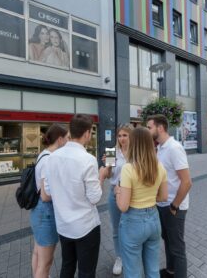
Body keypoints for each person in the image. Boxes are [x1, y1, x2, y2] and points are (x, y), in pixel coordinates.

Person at [44, 114, 106, 278]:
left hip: (64, 225)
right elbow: (95, 198)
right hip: (86, 226)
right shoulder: (88, 160)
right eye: (91, 132)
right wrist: (101, 175)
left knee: (67, 266)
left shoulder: (52, 158)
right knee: (86, 272)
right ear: (86, 133)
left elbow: (48, 192)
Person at [115, 127, 168, 278]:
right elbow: (164, 197)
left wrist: (118, 192)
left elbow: (123, 206)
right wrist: (149, 198)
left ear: (134, 143)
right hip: (153, 219)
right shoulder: (159, 166)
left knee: (133, 271)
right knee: (152, 269)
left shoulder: (128, 168)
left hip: (133, 222)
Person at [147, 115, 192, 278]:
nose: (147, 130)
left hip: (174, 206)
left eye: (149, 127)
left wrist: (174, 206)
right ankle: (170, 271)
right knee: (168, 241)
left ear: (160, 128)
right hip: (162, 205)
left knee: (177, 248)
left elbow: (187, 182)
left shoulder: (174, 148)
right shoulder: (159, 148)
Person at [30, 123, 69, 278]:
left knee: (38, 255)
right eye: (67, 138)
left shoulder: (43, 154)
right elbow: (46, 196)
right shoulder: (50, 159)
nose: (68, 142)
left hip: (38, 212)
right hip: (45, 213)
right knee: (45, 263)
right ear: (60, 139)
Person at [103, 123, 134, 275]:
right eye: (120, 135)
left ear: (131, 136)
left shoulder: (136, 152)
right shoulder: (111, 151)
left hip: (132, 194)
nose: (122, 138)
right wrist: (108, 166)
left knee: (130, 227)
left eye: (125, 135)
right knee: (116, 228)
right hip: (114, 193)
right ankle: (119, 257)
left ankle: (130, 256)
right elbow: (109, 175)